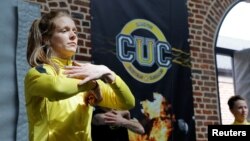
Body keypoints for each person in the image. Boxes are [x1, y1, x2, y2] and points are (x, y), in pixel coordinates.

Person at [24, 10, 135, 141]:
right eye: (64, 30)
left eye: (75, 31)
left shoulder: (84, 77)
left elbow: (128, 102)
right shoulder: (37, 73)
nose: (73, 36)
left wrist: (109, 73)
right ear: (47, 39)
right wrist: (92, 85)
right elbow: (57, 89)